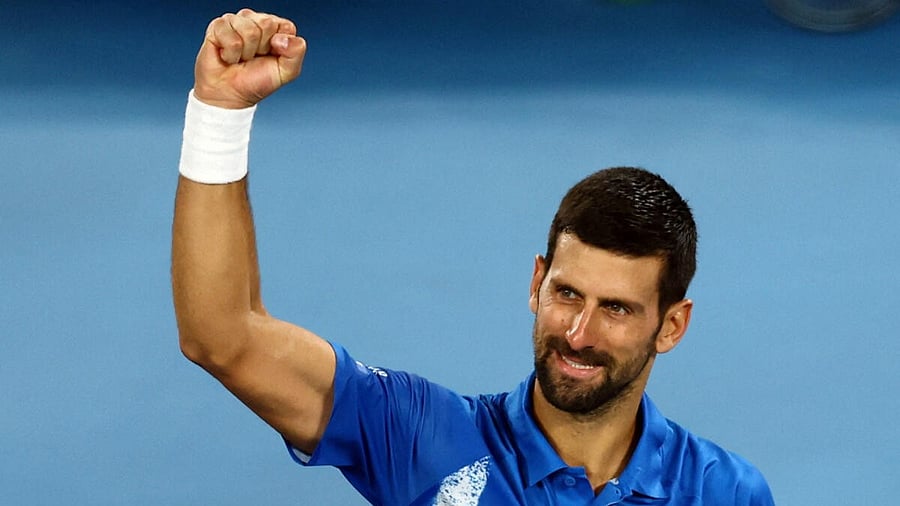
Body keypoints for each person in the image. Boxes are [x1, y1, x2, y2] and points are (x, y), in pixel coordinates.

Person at [172, 8, 775, 505]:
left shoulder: (723, 492)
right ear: (537, 283)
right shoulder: (422, 437)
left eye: (616, 308)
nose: (578, 333)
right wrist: (218, 114)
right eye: (567, 294)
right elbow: (223, 337)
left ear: (671, 325)